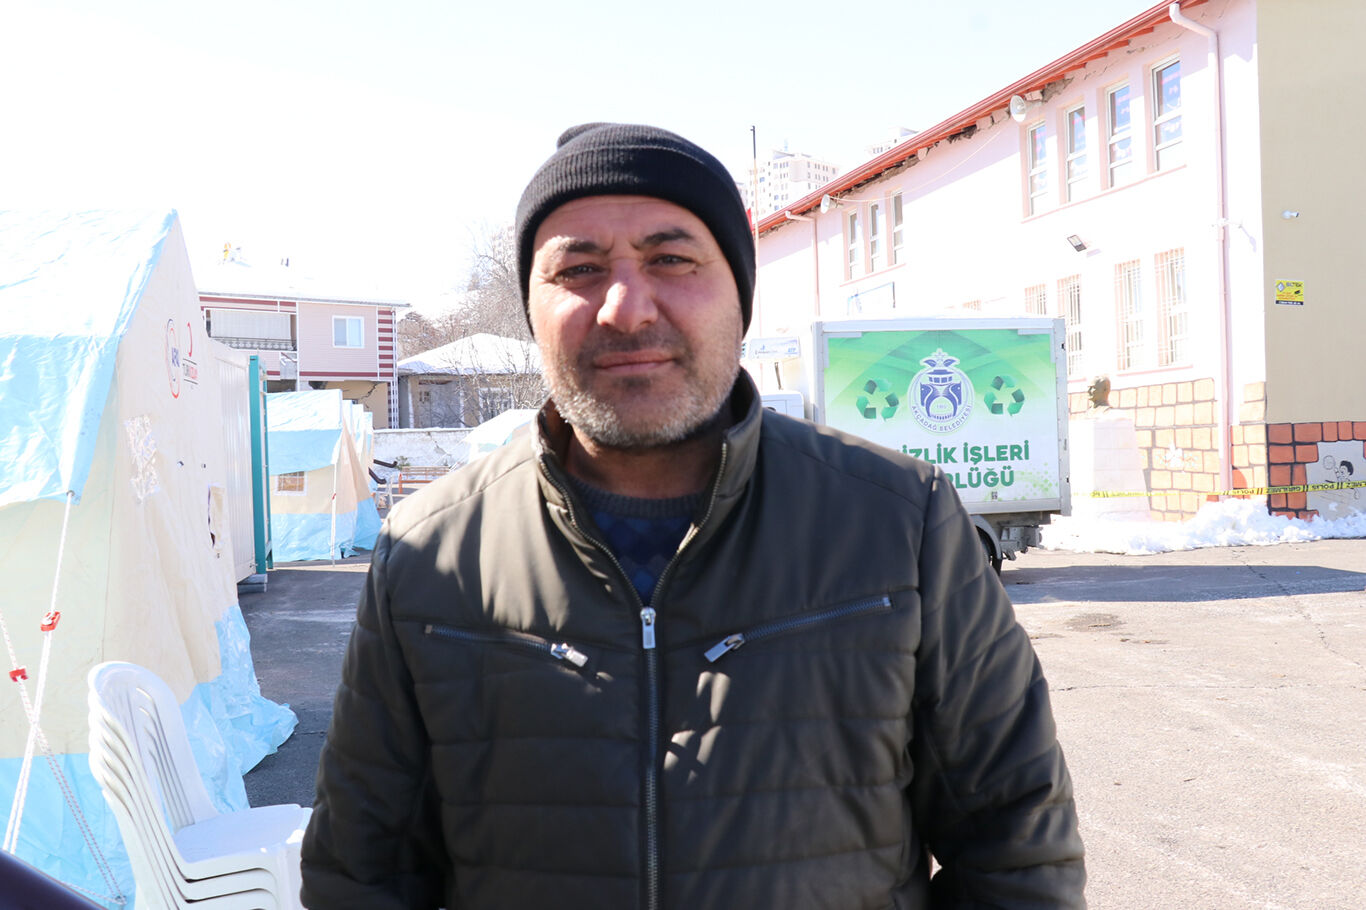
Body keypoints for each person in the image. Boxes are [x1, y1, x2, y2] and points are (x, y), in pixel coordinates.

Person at [301, 122, 1086, 909]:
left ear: (739, 296)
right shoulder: (430, 554)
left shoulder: (900, 523)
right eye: (578, 269)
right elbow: (362, 877)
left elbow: (1018, 849)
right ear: (532, 309)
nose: (624, 308)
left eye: (671, 259)